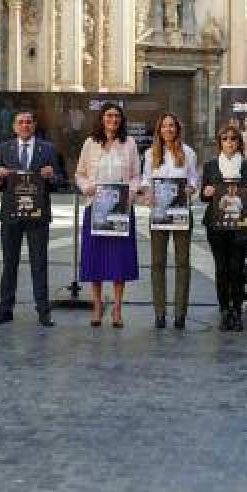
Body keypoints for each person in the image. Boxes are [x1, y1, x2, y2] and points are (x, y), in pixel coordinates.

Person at [0, 109, 64, 327]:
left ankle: (43, 311)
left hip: (38, 215)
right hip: (11, 214)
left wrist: (52, 176)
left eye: (28, 122)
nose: (24, 125)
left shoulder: (48, 149)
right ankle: (5, 310)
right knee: (9, 264)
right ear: (14, 126)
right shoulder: (5, 148)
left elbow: (60, 180)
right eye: (20, 122)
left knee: (39, 264)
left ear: (34, 126)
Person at [75, 103, 142, 329]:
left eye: (116, 116)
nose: (112, 119)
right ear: (102, 119)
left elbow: (135, 176)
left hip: (120, 211)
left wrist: (129, 195)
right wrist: (87, 187)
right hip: (96, 208)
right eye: (108, 115)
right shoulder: (90, 143)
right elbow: (80, 173)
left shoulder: (129, 143)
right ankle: (96, 306)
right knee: (95, 259)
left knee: (119, 261)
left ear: (121, 119)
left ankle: (117, 309)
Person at [141, 112, 199, 329]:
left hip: (182, 212)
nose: (168, 129)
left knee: (183, 262)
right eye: (164, 126)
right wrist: (146, 192)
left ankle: (180, 314)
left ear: (177, 129)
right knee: (157, 263)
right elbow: (146, 180)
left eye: (172, 126)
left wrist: (192, 187)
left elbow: (193, 178)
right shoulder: (149, 154)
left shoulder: (189, 153)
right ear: (159, 130)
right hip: (159, 213)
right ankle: (160, 313)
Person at [201, 124, 247, 332]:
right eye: (225, 138)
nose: (229, 142)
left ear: (239, 143)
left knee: (237, 268)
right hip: (216, 224)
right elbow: (202, 195)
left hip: (240, 224)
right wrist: (206, 191)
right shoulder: (210, 166)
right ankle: (224, 310)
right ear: (220, 143)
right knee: (221, 268)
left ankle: (237, 310)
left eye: (233, 138)